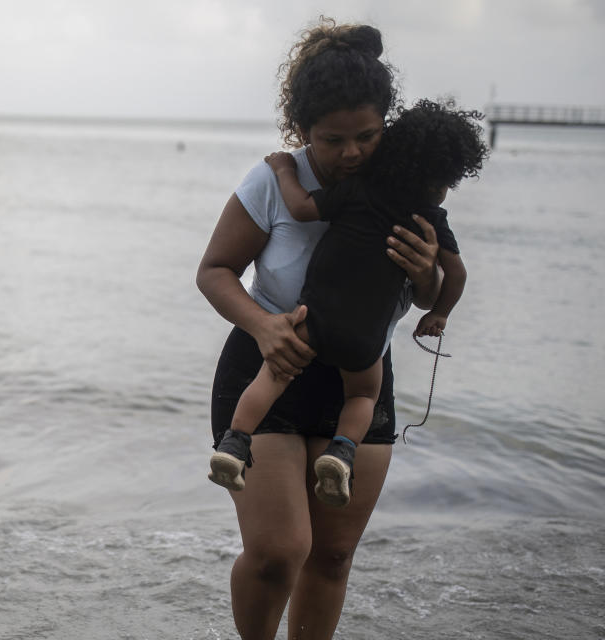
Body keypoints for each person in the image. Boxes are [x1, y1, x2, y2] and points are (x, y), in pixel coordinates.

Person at [196, 18, 444, 639]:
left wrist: (429, 277)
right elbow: (214, 270)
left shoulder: (403, 186)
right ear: (301, 131)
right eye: (332, 140)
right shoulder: (274, 183)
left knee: (331, 557)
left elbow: (425, 292)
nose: (352, 154)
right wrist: (262, 325)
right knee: (281, 551)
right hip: (268, 369)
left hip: (359, 379)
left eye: (367, 136)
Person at [209, 98, 488, 506]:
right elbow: (457, 276)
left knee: (272, 376)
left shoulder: (356, 190)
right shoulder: (431, 218)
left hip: (313, 319)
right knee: (361, 397)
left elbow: (303, 208)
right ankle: (341, 453)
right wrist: (441, 313)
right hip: (365, 338)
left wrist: (285, 169)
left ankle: (235, 443)